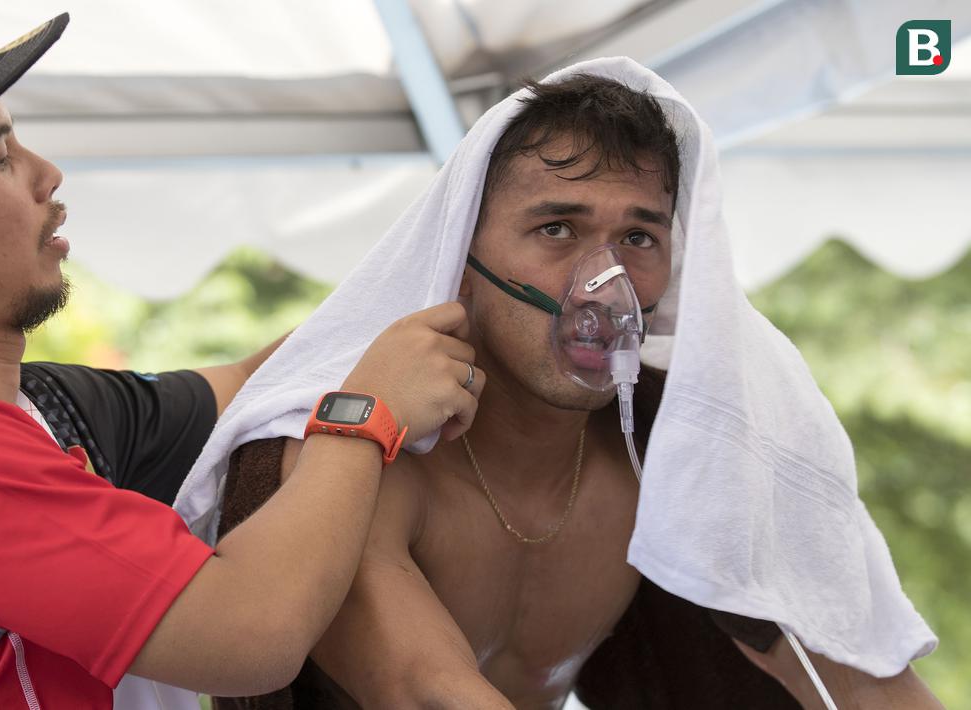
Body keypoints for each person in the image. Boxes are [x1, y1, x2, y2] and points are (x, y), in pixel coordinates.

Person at [0, 7, 485, 708]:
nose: (45, 175)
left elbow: (255, 381)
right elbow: (249, 632)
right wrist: (363, 417)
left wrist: (468, 279)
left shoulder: (23, 408)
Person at [203, 73, 943, 708]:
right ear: (460, 259)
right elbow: (425, 690)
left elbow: (867, 677)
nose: (605, 283)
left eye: (639, 238)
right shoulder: (359, 461)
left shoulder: (680, 462)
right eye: (557, 228)